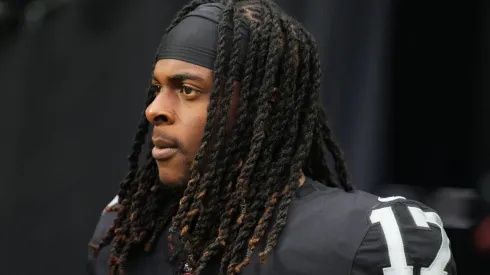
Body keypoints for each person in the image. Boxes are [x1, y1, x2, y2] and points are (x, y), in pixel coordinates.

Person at [87, 0, 458, 274]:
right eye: (157, 88)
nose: (155, 109)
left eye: (187, 89)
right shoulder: (125, 231)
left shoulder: (373, 239)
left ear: (258, 106)